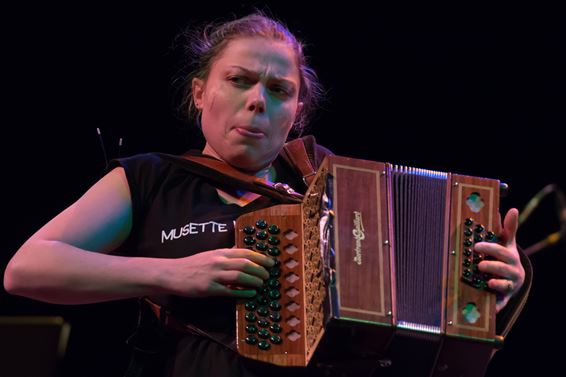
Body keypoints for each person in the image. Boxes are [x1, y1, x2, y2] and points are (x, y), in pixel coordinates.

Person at [3, 12, 529, 377]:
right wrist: (173, 273)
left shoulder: (347, 193)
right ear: (200, 92)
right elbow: (27, 269)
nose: (257, 101)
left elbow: (412, 319)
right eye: (239, 80)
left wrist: (484, 287)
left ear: (297, 111)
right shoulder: (150, 178)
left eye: (279, 90)